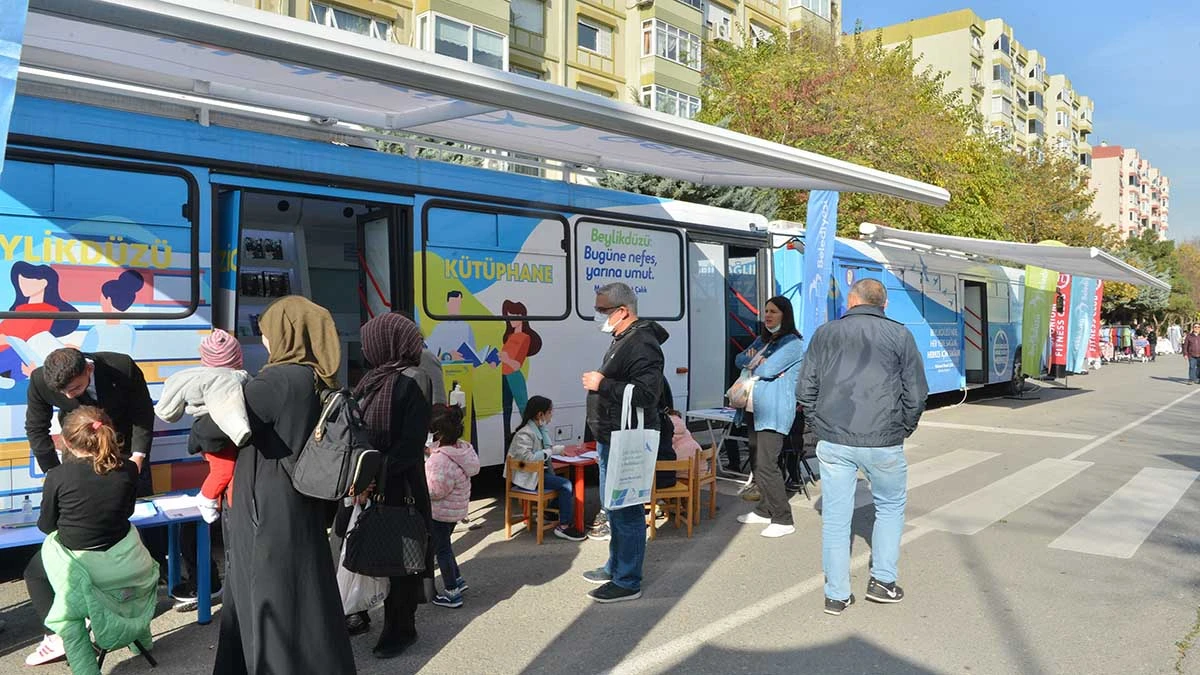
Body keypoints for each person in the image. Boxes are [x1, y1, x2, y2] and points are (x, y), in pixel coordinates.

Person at [189, 296, 356, 674]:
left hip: (265, 501)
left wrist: (199, 423)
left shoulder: (278, 379)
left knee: (267, 594)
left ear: (285, 333)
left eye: (266, 332)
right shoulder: (319, 375)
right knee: (306, 592)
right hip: (303, 497)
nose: (263, 340)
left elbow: (212, 430)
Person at [798, 279, 928, 616]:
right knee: (889, 508)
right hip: (884, 439)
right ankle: (882, 582)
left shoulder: (825, 333)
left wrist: (819, 424)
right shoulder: (900, 335)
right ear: (884, 305)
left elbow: (805, 388)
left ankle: (836, 595)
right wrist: (904, 428)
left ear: (850, 302)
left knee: (837, 520)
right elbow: (916, 392)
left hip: (835, 438)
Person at [340, 311, 435, 657]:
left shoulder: (415, 378)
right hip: (368, 481)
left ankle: (401, 630)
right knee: (361, 548)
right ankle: (358, 612)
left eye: (370, 342)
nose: (365, 349)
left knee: (401, 563)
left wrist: (371, 477)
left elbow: (410, 445)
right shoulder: (372, 379)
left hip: (400, 485)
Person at [23, 406, 147, 667]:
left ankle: (58, 636)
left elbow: (47, 525)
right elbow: (128, 511)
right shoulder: (128, 469)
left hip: (83, 569)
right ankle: (140, 643)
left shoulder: (58, 475)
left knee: (33, 573)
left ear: (66, 442)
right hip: (128, 564)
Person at [581, 282, 665, 604]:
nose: (599, 315)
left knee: (626, 510)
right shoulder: (624, 337)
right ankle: (614, 566)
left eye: (602, 310)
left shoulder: (642, 341)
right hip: (611, 435)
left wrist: (603, 383)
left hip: (626, 439)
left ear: (622, 311)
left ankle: (628, 580)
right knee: (613, 507)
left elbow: (647, 395)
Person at [154, 329, 248, 523]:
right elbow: (228, 412)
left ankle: (216, 502)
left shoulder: (194, 377)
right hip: (219, 436)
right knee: (224, 471)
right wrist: (241, 431)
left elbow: (167, 410)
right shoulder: (229, 380)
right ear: (237, 358)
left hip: (207, 435)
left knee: (225, 472)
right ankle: (206, 498)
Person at [732, 296, 805, 538]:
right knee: (756, 460)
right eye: (766, 311)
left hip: (774, 410)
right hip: (755, 408)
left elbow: (768, 369)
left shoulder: (792, 343)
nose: (768, 315)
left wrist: (758, 362)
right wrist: (756, 360)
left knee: (767, 464)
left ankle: (783, 518)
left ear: (785, 314)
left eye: (773, 311)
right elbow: (739, 359)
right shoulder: (764, 339)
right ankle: (764, 509)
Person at [507, 396, 587, 541]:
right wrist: (552, 451)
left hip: (536, 474)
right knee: (566, 485)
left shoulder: (537, 429)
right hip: (528, 477)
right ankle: (563, 526)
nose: (552, 415)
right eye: (550, 412)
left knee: (562, 482)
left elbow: (546, 448)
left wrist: (553, 447)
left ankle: (549, 514)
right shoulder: (525, 433)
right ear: (540, 414)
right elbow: (529, 458)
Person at [425, 404, 481, 608]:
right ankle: (458, 580)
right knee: (446, 547)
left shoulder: (438, 460)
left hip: (440, 512)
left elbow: (436, 491)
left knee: (442, 551)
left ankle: (451, 592)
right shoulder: (462, 449)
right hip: (455, 510)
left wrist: (421, 488)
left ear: (437, 434)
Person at [498, 299, 542, 444]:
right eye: (509, 316)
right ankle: (507, 441)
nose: (511, 320)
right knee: (506, 411)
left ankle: (534, 441)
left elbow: (516, 365)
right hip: (504, 375)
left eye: (514, 316)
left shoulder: (525, 338)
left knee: (524, 410)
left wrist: (506, 359)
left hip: (514, 376)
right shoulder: (509, 336)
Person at [78, 270, 143, 354]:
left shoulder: (97, 330)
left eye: (101, 299)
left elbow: (86, 354)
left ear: (108, 300)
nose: (100, 302)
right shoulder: (130, 329)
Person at [425, 291, 475, 361]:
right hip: (445, 368)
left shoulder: (467, 327)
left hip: (464, 368)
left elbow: (473, 356)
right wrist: (448, 356)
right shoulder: (439, 328)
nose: (455, 306)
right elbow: (428, 356)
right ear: (447, 304)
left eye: (457, 303)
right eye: (453, 303)